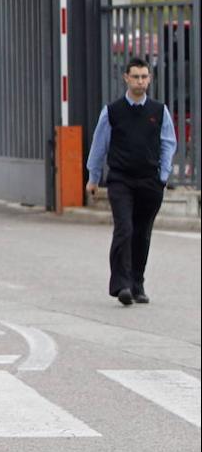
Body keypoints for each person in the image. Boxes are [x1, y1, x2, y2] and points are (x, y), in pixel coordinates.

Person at [85, 57, 177, 307]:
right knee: (124, 228)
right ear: (126, 78)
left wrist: (163, 176)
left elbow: (169, 143)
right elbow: (99, 145)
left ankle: (137, 284)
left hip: (150, 181)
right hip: (121, 180)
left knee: (142, 234)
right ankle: (121, 285)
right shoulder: (113, 111)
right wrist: (93, 178)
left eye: (144, 76)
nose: (140, 81)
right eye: (136, 76)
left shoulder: (159, 111)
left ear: (150, 79)